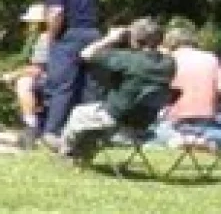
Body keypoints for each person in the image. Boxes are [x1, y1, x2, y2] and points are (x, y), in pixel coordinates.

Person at [60, 18, 176, 164]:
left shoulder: (128, 59)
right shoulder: (169, 64)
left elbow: (86, 54)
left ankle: (67, 154)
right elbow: (164, 53)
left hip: (117, 120)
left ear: (135, 40)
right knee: (93, 119)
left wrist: (110, 38)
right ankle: (82, 157)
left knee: (79, 113)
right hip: (144, 124)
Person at [29, 0, 102, 145]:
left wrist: (52, 37)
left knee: (60, 86)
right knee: (87, 87)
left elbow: (56, 12)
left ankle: (52, 132)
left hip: (69, 36)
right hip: (92, 34)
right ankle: (86, 136)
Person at [0, 3, 52, 142]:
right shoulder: (50, 37)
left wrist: (12, 75)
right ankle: (39, 121)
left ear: (39, 23)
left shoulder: (45, 38)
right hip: (58, 76)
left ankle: (31, 127)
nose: (28, 25)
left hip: (52, 78)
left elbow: (37, 70)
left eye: (31, 22)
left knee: (23, 83)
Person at [163, 26, 221, 124]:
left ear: (169, 43)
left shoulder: (168, 60)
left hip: (174, 119)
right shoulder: (211, 58)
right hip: (206, 118)